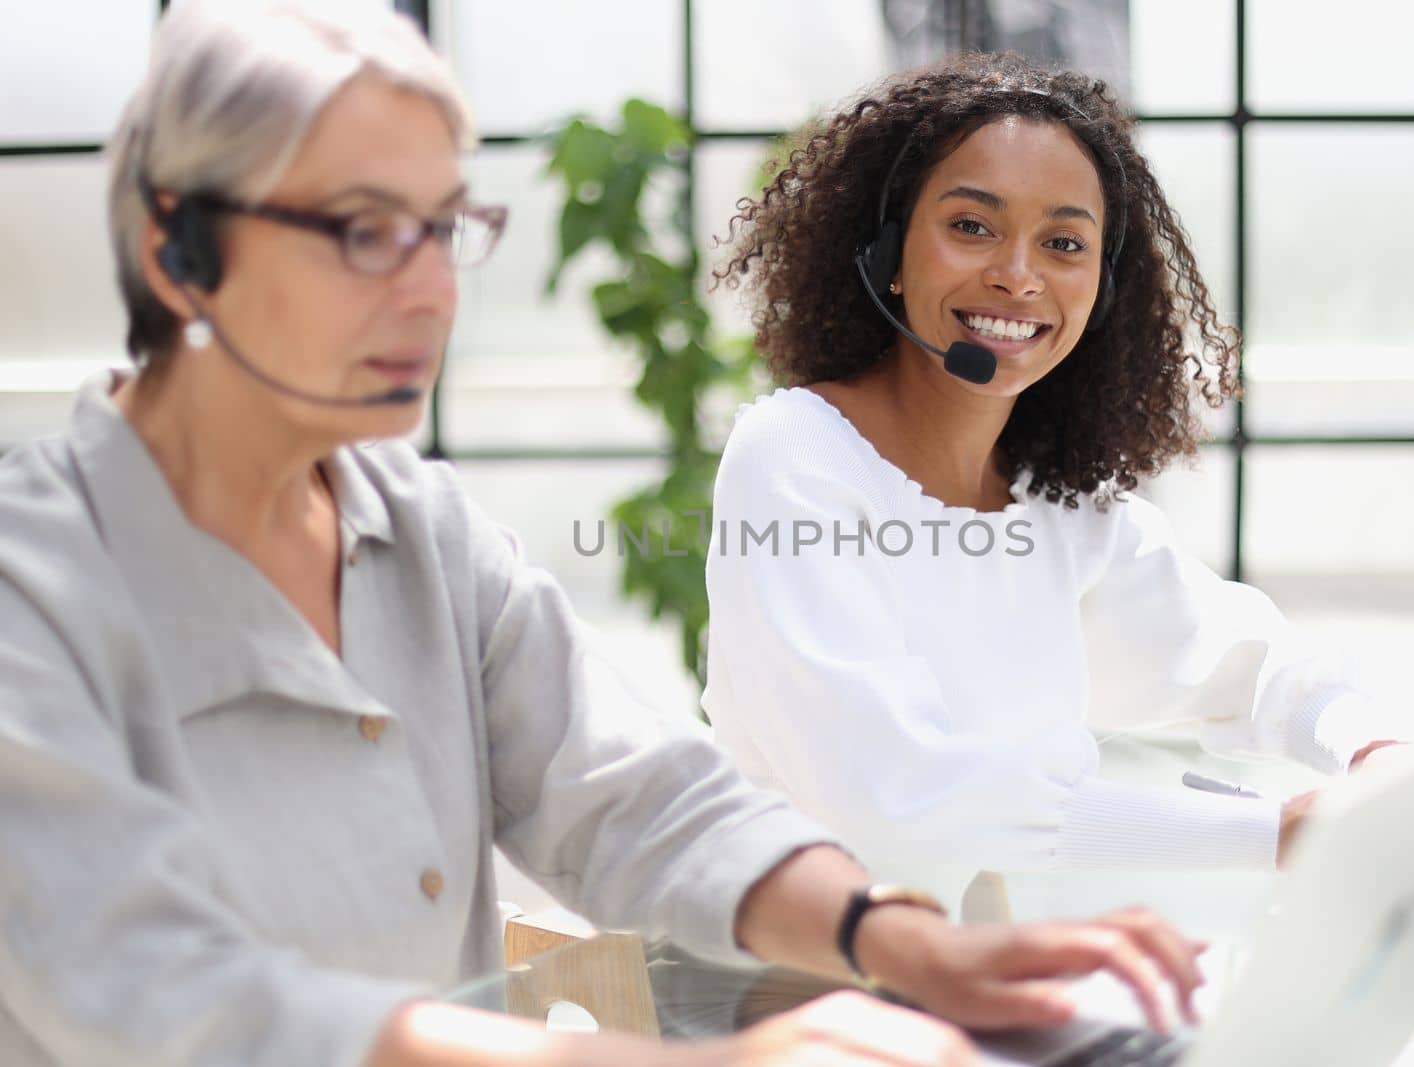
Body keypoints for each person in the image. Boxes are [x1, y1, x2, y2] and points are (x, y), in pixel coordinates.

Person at [0, 7, 1207, 1066]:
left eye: (443, 227)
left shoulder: (424, 532)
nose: (428, 291)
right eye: (364, 230)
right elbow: (160, 989)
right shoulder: (33, 583)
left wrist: (900, 940)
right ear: (178, 248)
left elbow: (637, 797)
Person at [702, 53, 1402, 916]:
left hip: (1016, 972)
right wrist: (1271, 833)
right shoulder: (795, 458)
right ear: (886, 251)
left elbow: (1249, 663)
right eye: (972, 226)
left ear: (1102, 290)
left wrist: (1372, 751)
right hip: (815, 996)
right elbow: (904, 800)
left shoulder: (1054, 502)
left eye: (1064, 243)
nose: (1019, 274)